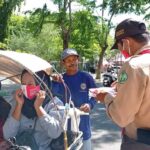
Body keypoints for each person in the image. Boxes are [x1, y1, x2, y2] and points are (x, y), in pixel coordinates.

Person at [94, 18, 150, 150]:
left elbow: (121, 116)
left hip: (140, 142)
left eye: (119, 47)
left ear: (125, 43)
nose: (121, 52)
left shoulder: (133, 65)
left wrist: (106, 97)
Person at [3, 69, 64, 150]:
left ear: (42, 84)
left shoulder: (55, 103)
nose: (26, 88)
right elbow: (7, 134)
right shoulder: (19, 100)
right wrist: (19, 105)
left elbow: (55, 132)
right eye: (23, 84)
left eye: (30, 84)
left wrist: (39, 108)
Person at [51, 48, 97, 150]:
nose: (72, 62)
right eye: (68, 60)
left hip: (83, 126)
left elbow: (96, 95)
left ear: (78, 60)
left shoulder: (86, 77)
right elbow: (53, 98)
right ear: (63, 63)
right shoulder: (60, 79)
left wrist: (90, 104)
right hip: (65, 129)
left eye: (74, 59)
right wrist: (55, 82)